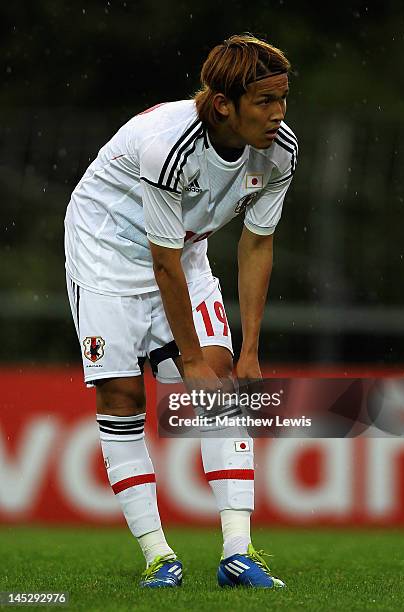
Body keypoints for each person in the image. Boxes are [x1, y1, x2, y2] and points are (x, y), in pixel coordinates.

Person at [64, 34, 297, 589]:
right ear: (224, 105)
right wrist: (186, 358)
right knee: (122, 397)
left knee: (218, 382)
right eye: (264, 101)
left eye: (283, 98)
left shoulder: (280, 148)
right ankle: (158, 556)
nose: (278, 114)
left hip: (183, 251)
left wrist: (251, 351)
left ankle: (238, 554)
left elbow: (257, 243)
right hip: (106, 257)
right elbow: (159, 260)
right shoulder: (170, 147)